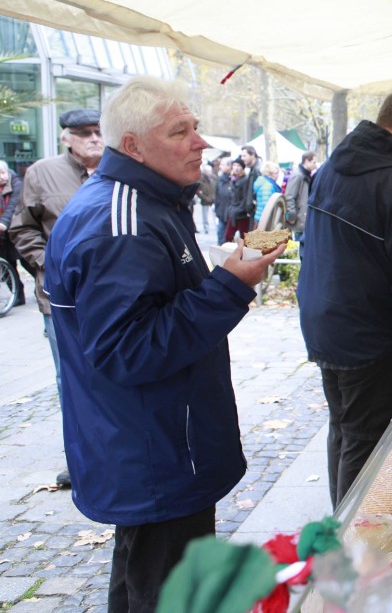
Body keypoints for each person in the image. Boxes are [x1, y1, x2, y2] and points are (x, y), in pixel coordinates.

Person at [43, 76, 285, 612]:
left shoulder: (147, 203)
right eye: (181, 132)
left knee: (145, 579)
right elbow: (127, 349)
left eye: (195, 127)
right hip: (157, 451)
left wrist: (222, 277)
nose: (201, 142)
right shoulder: (122, 222)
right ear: (132, 145)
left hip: (159, 445)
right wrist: (230, 285)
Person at [297, 86, 392, 509]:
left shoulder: (332, 167)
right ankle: (356, 534)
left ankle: (342, 524)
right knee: (366, 440)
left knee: (345, 429)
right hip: (369, 332)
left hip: (327, 324)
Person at [10, 108, 105, 489]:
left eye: (98, 131)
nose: (94, 138)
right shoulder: (43, 173)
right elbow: (23, 228)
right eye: (84, 132)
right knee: (71, 380)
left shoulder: (120, 171)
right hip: (61, 302)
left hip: (111, 296)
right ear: (66, 137)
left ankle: (114, 455)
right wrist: (49, 267)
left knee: (115, 375)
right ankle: (82, 461)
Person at [0, 161, 27, 307]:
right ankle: (17, 295)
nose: (1, 177)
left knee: (27, 262)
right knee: (8, 264)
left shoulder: (17, 184)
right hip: (3, 236)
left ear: (8, 172)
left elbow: (13, 206)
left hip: (17, 229)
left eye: (2, 173)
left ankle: (44, 287)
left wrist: (4, 222)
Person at [285, 151, 316, 257]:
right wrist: (292, 217)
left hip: (303, 219)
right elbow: (289, 196)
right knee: (300, 251)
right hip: (299, 220)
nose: (315, 165)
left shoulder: (305, 175)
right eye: (313, 162)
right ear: (306, 161)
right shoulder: (298, 175)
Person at [223, 158, 251, 242]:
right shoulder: (232, 179)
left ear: (242, 168)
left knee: (244, 238)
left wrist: (239, 210)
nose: (236, 168)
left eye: (238, 166)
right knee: (228, 236)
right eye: (234, 165)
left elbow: (245, 197)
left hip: (242, 214)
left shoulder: (245, 179)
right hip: (233, 212)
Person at [213, 157, 234, 244]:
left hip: (231, 214)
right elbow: (217, 195)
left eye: (222, 164)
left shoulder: (234, 180)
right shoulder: (220, 179)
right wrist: (216, 209)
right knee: (220, 234)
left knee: (228, 237)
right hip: (221, 212)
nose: (220, 166)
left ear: (229, 166)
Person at [195, 162, 217, 234]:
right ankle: (206, 228)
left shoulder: (214, 178)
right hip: (205, 200)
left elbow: (216, 188)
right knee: (205, 215)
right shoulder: (201, 179)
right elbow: (198, 191)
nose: (209, 172)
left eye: (210, 171)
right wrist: (204, 198)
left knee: (214, 215)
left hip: (213, 199)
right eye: (208, 171)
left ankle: (215, 227)